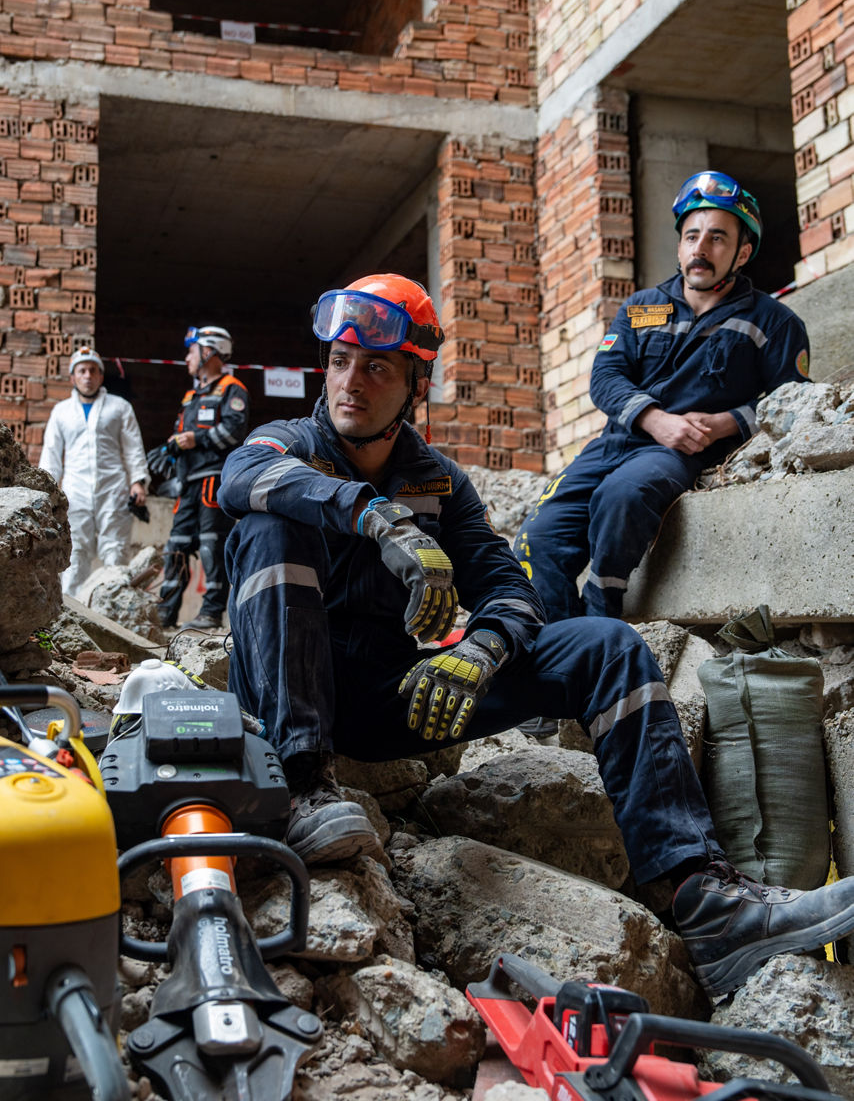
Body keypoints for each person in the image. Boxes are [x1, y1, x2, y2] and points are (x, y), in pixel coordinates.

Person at [218, 272, 854, 1000]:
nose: (349, 382)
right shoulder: (286, 443)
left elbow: (510, 588)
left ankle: (700, 898)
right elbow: (241, 476)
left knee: (607, 647)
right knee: (269, 526)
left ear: (415, 383)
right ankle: (300, 788)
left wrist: (480, 651)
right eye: (338, 361)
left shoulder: (440, 483)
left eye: (376, 367)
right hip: (289, 706)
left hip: (397, 699)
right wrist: (377, 518)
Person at [514, 170, 811, 621]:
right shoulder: (641, 307)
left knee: (621, 498)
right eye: (691, 236)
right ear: (679, 245)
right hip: (615, 443)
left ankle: (601, 617)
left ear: (742, 252)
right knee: (539, 537)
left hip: (679, 455)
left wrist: (726, 423)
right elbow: (606, 376)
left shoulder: (773, 323)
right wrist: (656, 419)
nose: (700, 248)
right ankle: (557, 643)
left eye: (716, 238)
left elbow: (794, 403)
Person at [155, 325, 250, 631]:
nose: (187, 358)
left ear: (209, 351)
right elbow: (183, 434)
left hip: (213, 480)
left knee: (211, 545)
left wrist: (195, 439)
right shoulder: (191, 396)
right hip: (188, 483)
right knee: (177, 546)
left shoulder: (233, 389)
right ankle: (164, 614)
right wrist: (173, 446)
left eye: (191, 351)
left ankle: (210, 614)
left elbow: (235, 431)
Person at [39, 347, 149, 599]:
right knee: (75, 550)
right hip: (75, 491)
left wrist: (138, 483)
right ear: (72, 377)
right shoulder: (61, 411)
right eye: (82, 371)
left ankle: (114, 610)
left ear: (101, 376)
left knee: (116, 550)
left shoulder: (119, 407)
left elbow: (133, 447)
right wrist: (47, 493)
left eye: (93, 371)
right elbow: (52, 455)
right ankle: (72, 611)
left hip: (114, 489)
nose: (87, 375)